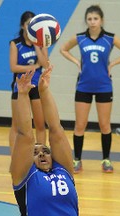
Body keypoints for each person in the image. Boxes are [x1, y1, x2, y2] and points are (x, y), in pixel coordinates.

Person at [60, 5, 120, 173]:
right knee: (80, 125)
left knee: (104, 125)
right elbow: (63, 49)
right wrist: (76, 62)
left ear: (101, 20)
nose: (92, 22)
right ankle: (77, 159)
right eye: (89, 19)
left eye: (95, 19)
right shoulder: (80, 38)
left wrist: (112, 63)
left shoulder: (109, 38)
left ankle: (106, 160)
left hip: (104, 86)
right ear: (86, 21)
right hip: (84, 85)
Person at [10, 66, 79, 215]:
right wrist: (22, 95)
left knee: (57, 131)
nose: (42, 154)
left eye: (46, 151)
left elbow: (56, 129)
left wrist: (44, 91)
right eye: (35, 152)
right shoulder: (26, 177)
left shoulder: (63, 169)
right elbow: (25, 135)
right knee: (27, 137)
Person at [9, 11, 49, 153]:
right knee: (17, 126)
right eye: (28, 25)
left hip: (36, 86)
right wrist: (33, 67)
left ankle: (40, 155)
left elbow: (45, 63)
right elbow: (13, 67)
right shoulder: (15, 44)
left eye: (33, 25)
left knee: (40, 124)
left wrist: (37, 45)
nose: (30, 28)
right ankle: (15, 158)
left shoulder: (41, 43)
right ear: (22, 26)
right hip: (20, 87)